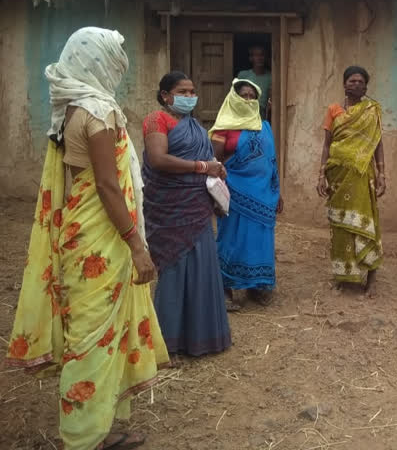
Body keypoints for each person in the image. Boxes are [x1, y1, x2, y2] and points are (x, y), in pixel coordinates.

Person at [6, 27, 169, 449]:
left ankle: (101, 428)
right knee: (93, 339)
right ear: (98, 62)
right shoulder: (97, 112)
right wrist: (137, 245)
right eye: (116, 59)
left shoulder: (69, 108)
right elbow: (108, 186)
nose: (121, 68)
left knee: (97, 333)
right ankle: (80, 438)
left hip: (82, 234)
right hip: (102, 240)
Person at [142, 71, 232, 356]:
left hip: (196, 205)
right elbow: (158, 160)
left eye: (193, 92)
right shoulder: (157, 120)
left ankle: (203, 336)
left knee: (202, 265)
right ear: (166, 95)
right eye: (183, 91)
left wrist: (216, 169)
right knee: (175, 265)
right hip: (170, 206)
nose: (190, 97)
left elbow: (205, 159)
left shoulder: (195, 125)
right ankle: (167, 341)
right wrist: (204, 167)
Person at [210, 79, 283, 309]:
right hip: (234, 196)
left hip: (263, 195)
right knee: (231, 240)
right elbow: (216, 163)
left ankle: (257, 287)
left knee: (259, 242)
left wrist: (277, 192)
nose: (249, 100)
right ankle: (225, 290)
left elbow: (271, 162)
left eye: (253, 95)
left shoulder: (264, 127)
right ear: (234, 97)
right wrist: (215, 195)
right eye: (244, 95)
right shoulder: (223, 127)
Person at [316, 66, 386, 297]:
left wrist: (382, 173)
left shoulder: (372, 111)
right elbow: (327, 144)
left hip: (362, 176)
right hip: (336, 175)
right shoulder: (333, 110)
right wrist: (321, 173)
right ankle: (343, 276)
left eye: (360, 81)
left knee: (367, 225)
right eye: (351, 81)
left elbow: (377, 144)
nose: (356, 85)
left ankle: (372, 279)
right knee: (340, 227)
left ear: (366, 86)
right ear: (344, 84)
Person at [236, 44, 272, 120]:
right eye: (256, 55)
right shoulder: (243, 75)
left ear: (266, 58)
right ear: (251, 58)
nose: (259, 58)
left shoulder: (270, 77)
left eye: (262, 55)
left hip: (261, 114)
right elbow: (235, 96)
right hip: (244, 113)